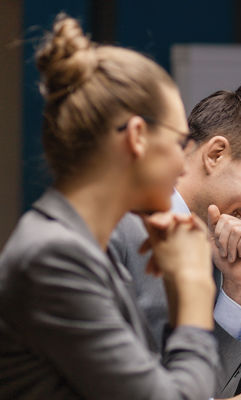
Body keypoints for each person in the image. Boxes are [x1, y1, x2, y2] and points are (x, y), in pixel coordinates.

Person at [0, 14, 218, 399]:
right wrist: (195, 285)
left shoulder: (84, 249)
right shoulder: (54, 256)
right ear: (137, 136)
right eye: (179, 141)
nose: (184, 165)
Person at [110, 87, 241, 399]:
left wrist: (238, 290)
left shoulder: (211, 253)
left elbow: (203, 389)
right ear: (215, 154)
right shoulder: (117, 227)